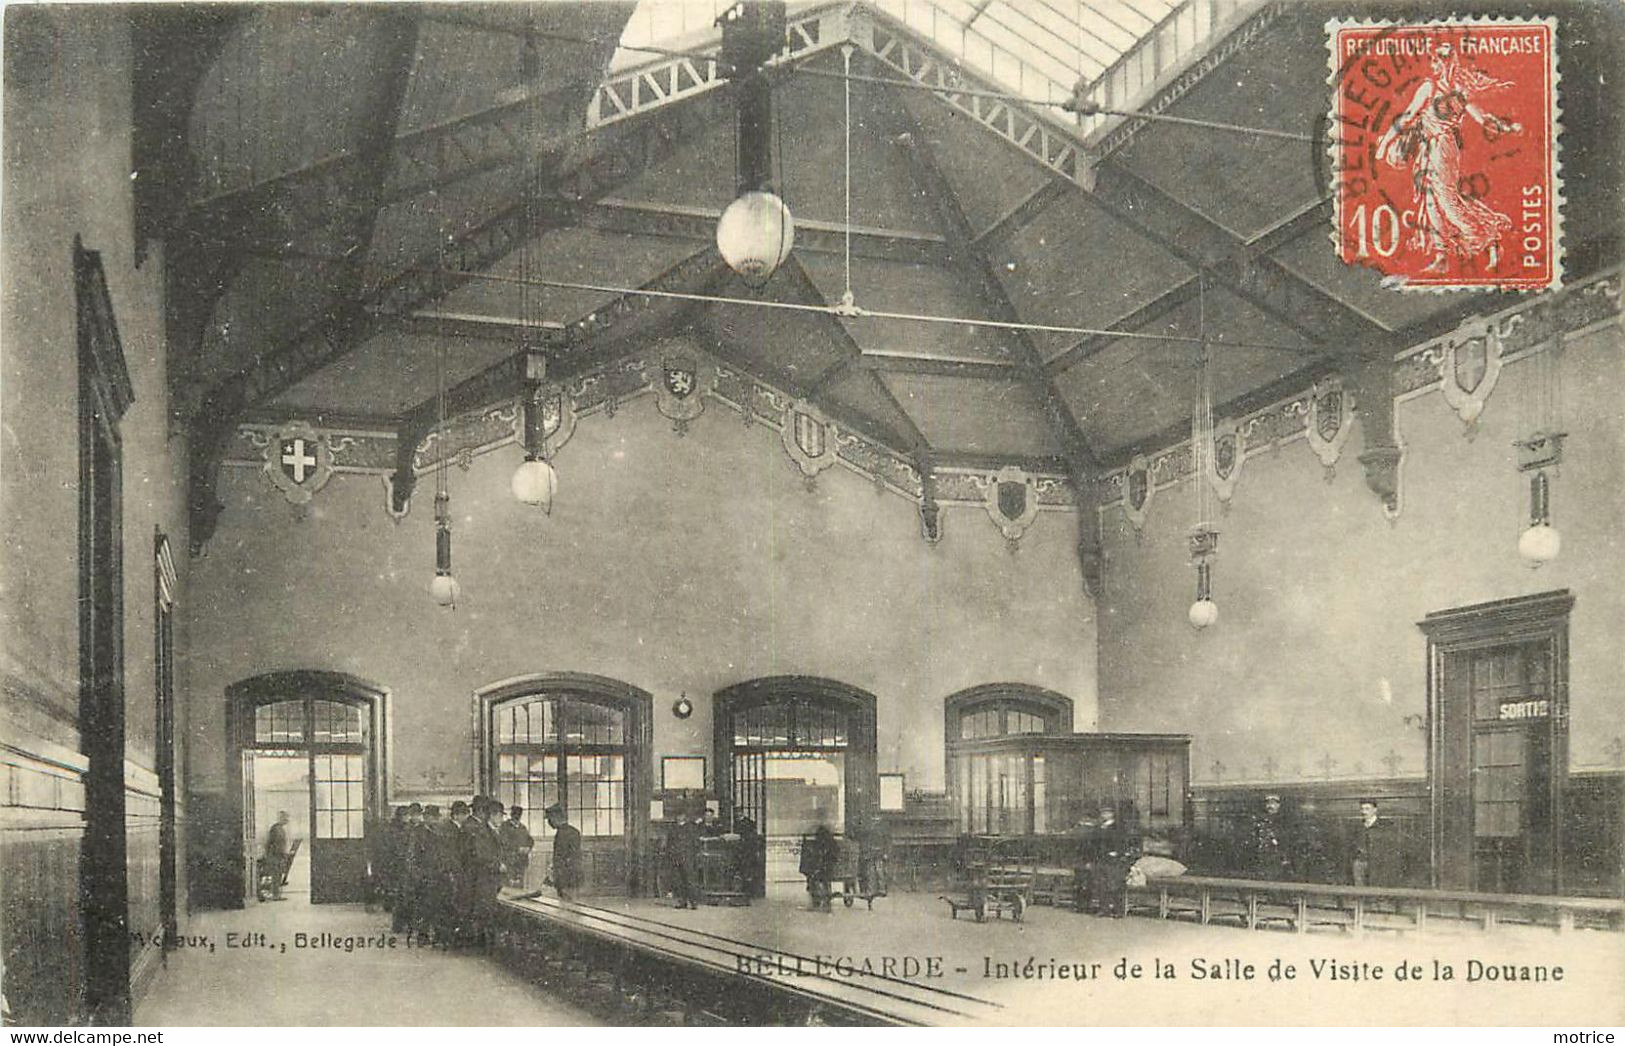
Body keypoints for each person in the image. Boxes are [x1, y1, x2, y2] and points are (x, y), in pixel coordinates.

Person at [1375, 40, 1522, 274]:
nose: (1433, 66)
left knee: (1446, 200)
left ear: (1445, 65)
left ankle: (1486, 235)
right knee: (1431, 201)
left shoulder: (1445, 91)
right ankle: (1442, 255)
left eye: (1436, 62)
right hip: (1429, 147)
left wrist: (1385, 144)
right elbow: (1410, 116)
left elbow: (1481, 118)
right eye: (1433, 61)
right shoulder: (1440, 89)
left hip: (1442, 148)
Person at [1086, 803, 1134, 917]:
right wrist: (1091, 859)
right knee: (1101, 885)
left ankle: (1118, 910)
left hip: (1113, 860)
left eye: (1107, 812)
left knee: (1114, 885)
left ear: (1112, 814)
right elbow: (1093, 844)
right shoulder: (1098, 827)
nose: (1105, 815)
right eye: (1103, 813)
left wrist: (1118, 853)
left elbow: (1123, 842)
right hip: (1100, 859)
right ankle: (1104, 909)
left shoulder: (1118, 827)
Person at [1349, 798, 1401, 887]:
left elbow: (1390, 847)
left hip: (1378, 863)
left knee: (1376, 889)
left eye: (1367, 809)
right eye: (1362, 809)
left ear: (1375, 810)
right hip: (1360, 863)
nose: (1364, 812)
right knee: (1359, 890)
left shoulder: (1385, 826)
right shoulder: (1358, 826)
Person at [1250, 793, 1294, 880]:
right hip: (1263, 855)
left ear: (1278, 805)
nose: (1270, 806)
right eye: (1268, 803)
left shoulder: (1284, 820)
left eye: (1273, 803)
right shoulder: (1261, 820)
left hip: (1278, 857)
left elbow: (1286, 841)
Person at [544, 804, 582, 902]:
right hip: (573, 875)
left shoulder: (561, 834)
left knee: (566, 903)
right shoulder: (574, 831)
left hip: (565, 877)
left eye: (549, 819)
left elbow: (561, 857)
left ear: (555, 817)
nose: (549, 822)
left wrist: (555, 876)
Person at [668, 808, 703, 909]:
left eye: (681, 815)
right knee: (679, 880)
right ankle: (682, 901)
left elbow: (695, 843)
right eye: (678, 816)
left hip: (688, 858)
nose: (679, 817)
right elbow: (670, 844)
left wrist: (694, 855)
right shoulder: (673, 828)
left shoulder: (691, 828)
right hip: (676, 857)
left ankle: (693, 902)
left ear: (685, 817)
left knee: (690, 880)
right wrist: (671, 854)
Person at [800, 822, 837, 913]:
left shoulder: (818, 847)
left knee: (811, 875)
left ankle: (815, 902)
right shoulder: (833, 846)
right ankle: (825, 901)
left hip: (822, 872)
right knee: (820, 876)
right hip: (830, 871)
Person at [499, 805, 534, 889]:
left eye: (518, 814)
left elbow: (530, 840)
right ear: (511, 814)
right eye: (514, 814)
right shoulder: (504, 826)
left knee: (519, 884)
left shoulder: (522, 828)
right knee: (509, 884)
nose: (516, 816)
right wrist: (517, 848)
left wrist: (528, 848)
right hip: (509, 860)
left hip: (521, 861)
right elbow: (503, 842)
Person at [262, 810, 291, 901]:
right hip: (274, 855)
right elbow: (269, 842)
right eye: (285, 818)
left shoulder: (280, 829)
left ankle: (276, 893)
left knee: (278, 874)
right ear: (281, 818)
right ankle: (275, 894)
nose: (287, 820)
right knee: (276, 874)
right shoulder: (275, 829)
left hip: (279, 854)